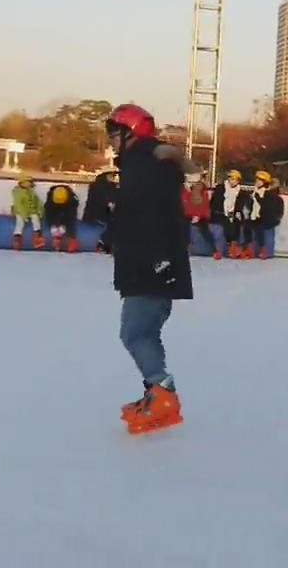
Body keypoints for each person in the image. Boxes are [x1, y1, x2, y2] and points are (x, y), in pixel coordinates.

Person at [106, 103, 195, 435]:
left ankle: (163, 395)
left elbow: (146, 215)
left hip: (151, 264)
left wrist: (157, 261)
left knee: (134, 332)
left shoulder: (144, 163)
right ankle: (157, 392)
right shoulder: (142, 163)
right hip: (153, 262)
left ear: (130, 133)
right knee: (145, 332)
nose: (111, 142)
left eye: (114, 134)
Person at [210, 169, 249, 258]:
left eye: (235, 179)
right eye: (231, 179)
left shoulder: (241, 192)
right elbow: (214, 203)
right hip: (219, 213)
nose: (232, 181)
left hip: (233, 214)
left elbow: (242, 205)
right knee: (227, 223)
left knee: (238, 222)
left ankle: (236, 246)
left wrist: (238, 212)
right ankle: (231, 245)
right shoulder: (220, 189)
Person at [180, 169, 218, 259]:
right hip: (187, 213)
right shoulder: (183, 189)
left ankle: (215, 250)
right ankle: (184, 247)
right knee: (181, 225)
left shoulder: (201, 190)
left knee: (204, 229)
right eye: (188, 181)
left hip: (200, 214)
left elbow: (204, 206)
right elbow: (183, 203)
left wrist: (197, 215)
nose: (190, 183)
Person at [247, 170, 284, 259]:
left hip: (268, 219)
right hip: (256, 218)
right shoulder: (255, 192)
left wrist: (259, 200)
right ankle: (256, 252)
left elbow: (267, 206)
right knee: (256, 236)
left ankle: (267, 253)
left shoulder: (269, 194)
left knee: (268, 236)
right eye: (256, 179)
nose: (257, 181)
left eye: (260, 180)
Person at [84, 168, 119, 253]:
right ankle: (106, 243)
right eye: (111, 175)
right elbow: (102, 200)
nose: (113, 177)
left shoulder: (112, 186)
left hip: (104, 213)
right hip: (98, 214)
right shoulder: (98, 186)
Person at [10, 174, 45, 250]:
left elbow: (38, 201)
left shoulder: (32, 191)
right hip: (20, 212)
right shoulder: (17, 192)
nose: (30, 184)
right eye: (29, 182)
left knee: (36, 219)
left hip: (32, 211)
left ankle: (37, 238)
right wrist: (24, 215)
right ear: (22, 183)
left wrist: (40, 210)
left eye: (30, 183)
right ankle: (17, 240)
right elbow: (19, 205)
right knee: (20, 223)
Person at [43, 184, 80, 252]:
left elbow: (71, 216)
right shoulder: (50, 201)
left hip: (67, 209)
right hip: (54, 209)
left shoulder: (72, 200)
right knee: (53, 224)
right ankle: (56, 240)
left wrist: (66, 228)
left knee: (70, 224)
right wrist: (55, 225)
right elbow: (49, 215)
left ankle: (72, 241)